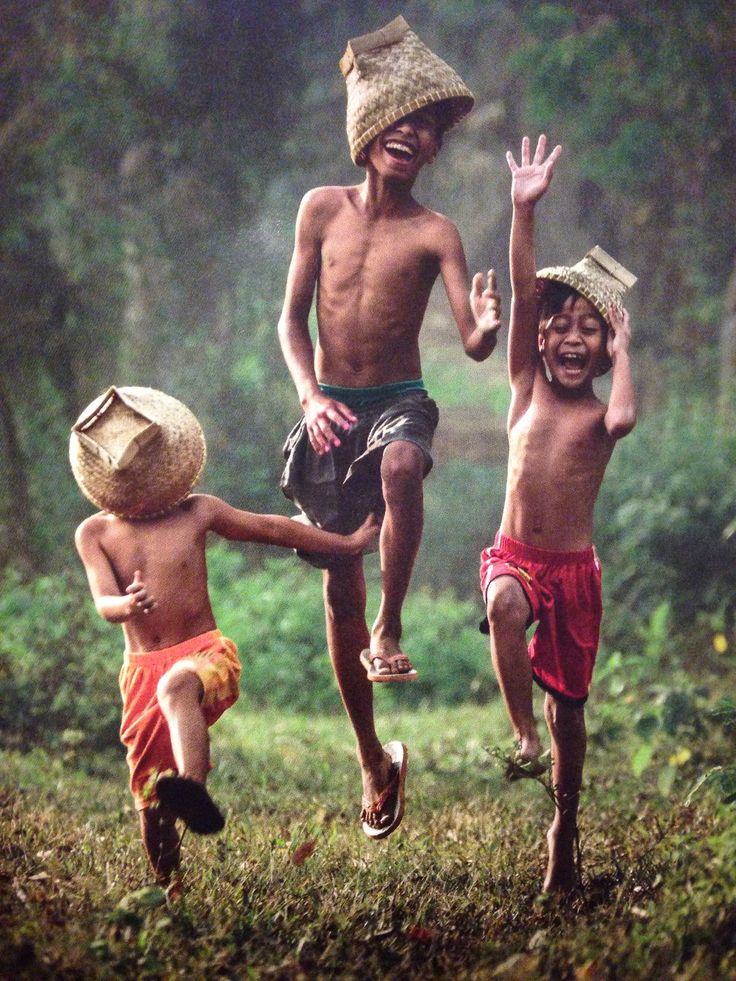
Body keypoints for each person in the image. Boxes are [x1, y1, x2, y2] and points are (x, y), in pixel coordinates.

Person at [278, 15, 501, 839]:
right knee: (339, 584)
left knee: (405, 467)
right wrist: (308, 395)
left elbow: (474, 346)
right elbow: (290, 322)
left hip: (400, 397)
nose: (412, 137)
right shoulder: (320, 210)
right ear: (368, 132)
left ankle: (393, 624)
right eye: (400, 122)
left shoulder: (436, 231)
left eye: (427, 129)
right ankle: (373, 757)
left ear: (435, 150)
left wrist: (482, 323)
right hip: (331, 406)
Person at [70, 385, 379, 891]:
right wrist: (125, 605)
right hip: (140, 672)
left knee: (176, 687)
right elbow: (103, 601)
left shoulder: (198, 511)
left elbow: (274, 528)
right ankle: (172, 888)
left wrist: (346, 543)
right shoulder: (95, 534)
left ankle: (193, 788)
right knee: (149, 803)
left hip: (203, 657)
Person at [480, 135, 637, 892]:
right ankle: (518, 734)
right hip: (515, 555)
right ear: (540, 336)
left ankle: (564, 827)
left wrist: (631, 351)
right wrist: (523, 208)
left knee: (569, 712)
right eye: (561, 324)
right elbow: (520, 282)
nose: (572, 338)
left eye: (590, 329)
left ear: (605, 347)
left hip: (574, 574)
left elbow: (629, 417)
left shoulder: (602, 413)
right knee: (503, 603)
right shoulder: (523, 386)